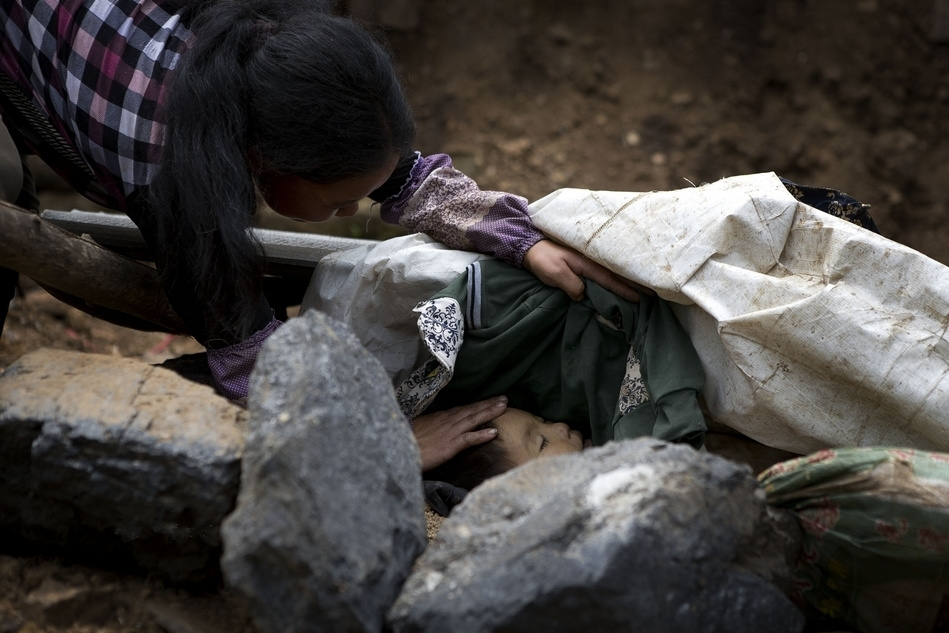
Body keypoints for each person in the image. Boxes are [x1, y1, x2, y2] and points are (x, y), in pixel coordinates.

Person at [0, 0, 644, 471]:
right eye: (340, 202)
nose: (351, 210)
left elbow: (401, 176)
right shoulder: (170, 174)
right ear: (261, 160)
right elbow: (254, 359)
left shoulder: (265, 49)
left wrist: (518, 235)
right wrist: (387, 445)